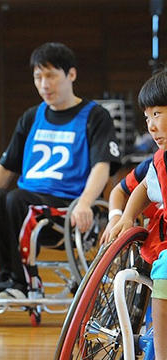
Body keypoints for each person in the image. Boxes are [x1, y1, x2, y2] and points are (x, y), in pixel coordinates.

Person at [0, 42, 121, 299]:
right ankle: (4, 279)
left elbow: (102, 166)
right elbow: (5, 167)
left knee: (16, 199)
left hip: (67, 206)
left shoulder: (95, 116)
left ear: (71, 75)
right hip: (25, 203)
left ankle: (22, 283)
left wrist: (86, 203)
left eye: (51, 75)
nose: (44, 84)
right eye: (38, 77)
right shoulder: (32, 117)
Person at [106, 70, 167, 359]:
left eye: (158, 114)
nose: (152, 126)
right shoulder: (156, 162)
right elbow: (135, 189)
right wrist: (125, 216)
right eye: (147, 118)